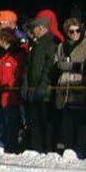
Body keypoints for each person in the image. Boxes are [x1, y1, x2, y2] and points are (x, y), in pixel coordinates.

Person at [52, 17, 86, 153]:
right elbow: (57, 64)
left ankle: (81, 151)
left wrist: (71, 66)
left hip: (80, 90)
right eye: (71, 31)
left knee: (81, 124)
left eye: (77, 31)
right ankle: (68, 149)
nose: (75, 34)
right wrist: (68, 66)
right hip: (64, 90)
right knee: (67, 123)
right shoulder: (61, 46)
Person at [21, 10, 59, 152]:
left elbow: (49, 66)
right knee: (34, 121)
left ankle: (46, 148)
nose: (33, 31)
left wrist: (43, 84)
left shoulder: (49, 42)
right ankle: (35, 147)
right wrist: (27, 84)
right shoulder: (36, 44)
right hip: (33, 87)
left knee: (45, 122)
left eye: (34, 28)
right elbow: (30, 67)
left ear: (42, 28)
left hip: (44, 90)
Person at [0, 30, 22, 152]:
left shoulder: (16, 54)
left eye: (0, 39)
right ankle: (2, 144)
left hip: (10, 94)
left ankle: (11, 146)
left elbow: (18, 74)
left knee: (10, 122)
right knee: (0, 121)